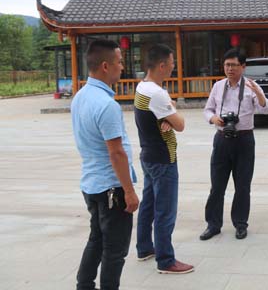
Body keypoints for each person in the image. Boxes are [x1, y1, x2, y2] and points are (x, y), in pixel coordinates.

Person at [71, 39, 139, 290]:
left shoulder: (80, 97)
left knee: (97, 239)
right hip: (112, 187)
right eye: (119, 62)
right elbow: (116, 153)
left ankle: (84, 285)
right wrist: (129, 191)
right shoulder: (106, 104)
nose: (122, 67)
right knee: (115, 250)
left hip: (91, 184)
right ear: (105, 66)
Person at [200, 48, 268, 241]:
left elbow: (266, 110)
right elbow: (207, 110)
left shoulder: (251, 86)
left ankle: (240, 224)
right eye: (227, 65)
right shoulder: (218, 86)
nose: (230, 69)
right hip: (222, 139)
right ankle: (213, 224)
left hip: (244, 140)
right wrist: (214, 119)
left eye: (234, 65)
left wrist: (259, 94)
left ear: (243, 66)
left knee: (242, 186)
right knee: (217, 186)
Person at [134, 44, 193, 274]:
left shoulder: (142, 87)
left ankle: (144, 248)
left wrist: (168, 115)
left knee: (148, 205)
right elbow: (181, 125)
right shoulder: (158, 94)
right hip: (163, 158)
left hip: (148, 156)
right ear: (161, 65)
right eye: (171, 63)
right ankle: (166, 260)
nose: (173, 67)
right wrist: (172, 114)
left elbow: (162, 116)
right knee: (165, 211)